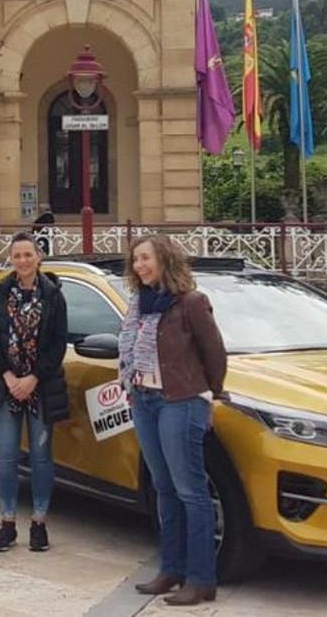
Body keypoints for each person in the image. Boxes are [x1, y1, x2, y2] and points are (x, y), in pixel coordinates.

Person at [119, 235, 227, 606]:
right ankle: (172, 569)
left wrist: (211, 394)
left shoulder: (190, 302)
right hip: (144, 399)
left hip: (180, 402)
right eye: (135, 260)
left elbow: (214, 352)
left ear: (164, 259)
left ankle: (201, 579)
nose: (139, 266)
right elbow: (130, 351)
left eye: (145, 258)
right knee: (163, 488)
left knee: (190, 491)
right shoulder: (139, 304)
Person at [0, 232, 68, 553]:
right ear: (11, 259)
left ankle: (39, 523)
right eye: (17, 255)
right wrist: (8, 375)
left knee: (42, 457)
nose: (22, 261)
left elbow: (58, 344)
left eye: (28, 254)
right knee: (6, 455)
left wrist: (32, 378)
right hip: (6, 387)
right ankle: (7, 523)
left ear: (38, 257)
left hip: (40, 387)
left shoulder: (53, 295)